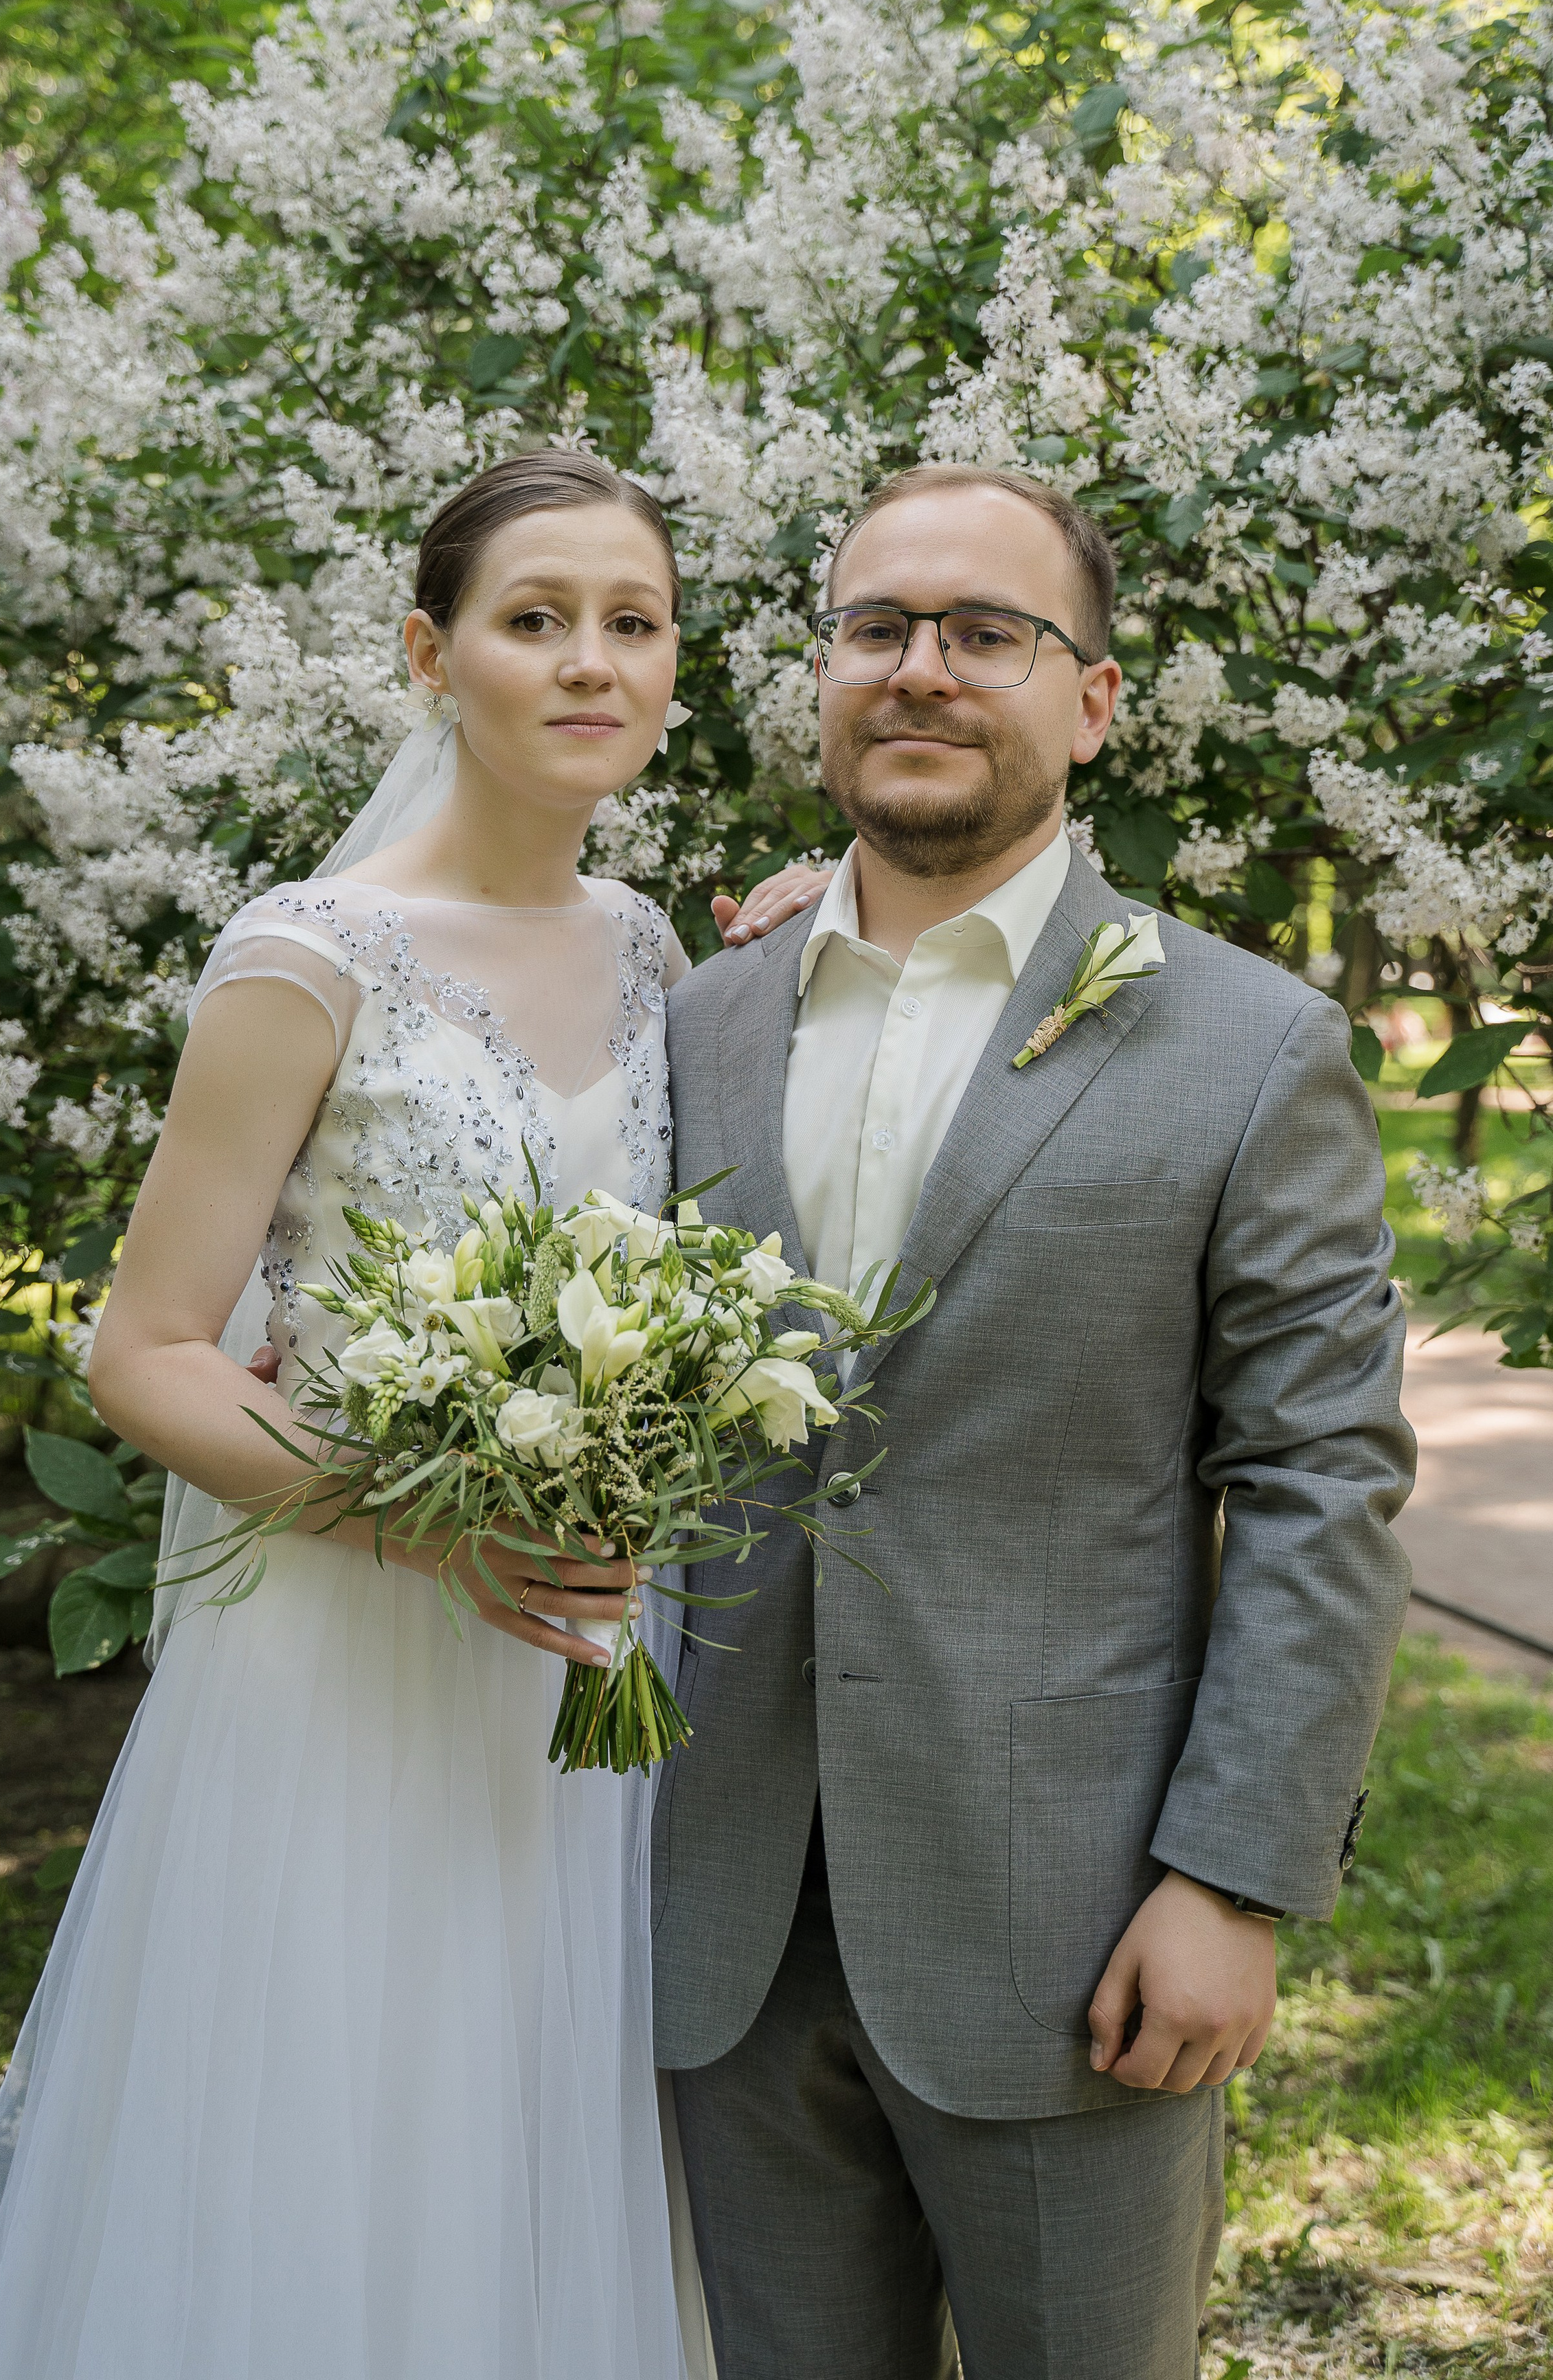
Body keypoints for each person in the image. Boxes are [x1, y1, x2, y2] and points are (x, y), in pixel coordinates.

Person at [0, 449, 816, 2380]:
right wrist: (432, 1525)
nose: (591, 663)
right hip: (363, 1644)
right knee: (342, 2145)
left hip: (586, 1650)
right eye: (534, 619)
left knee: (550, 2145)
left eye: (634, 624)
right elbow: (147, 1351)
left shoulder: (657, 949)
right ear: (428, 654)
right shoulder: (307, 956)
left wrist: (819, 935)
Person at [655, 462, 1416, 2380]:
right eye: (877, 627)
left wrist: (1234, 1879)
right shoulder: (698, 1021)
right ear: (824, 676)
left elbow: (1320, 1480)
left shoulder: (1251, 1047)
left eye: (987, 633)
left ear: (1091, 701)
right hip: (719, 1926)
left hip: (1079, 1932)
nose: (921, 669)